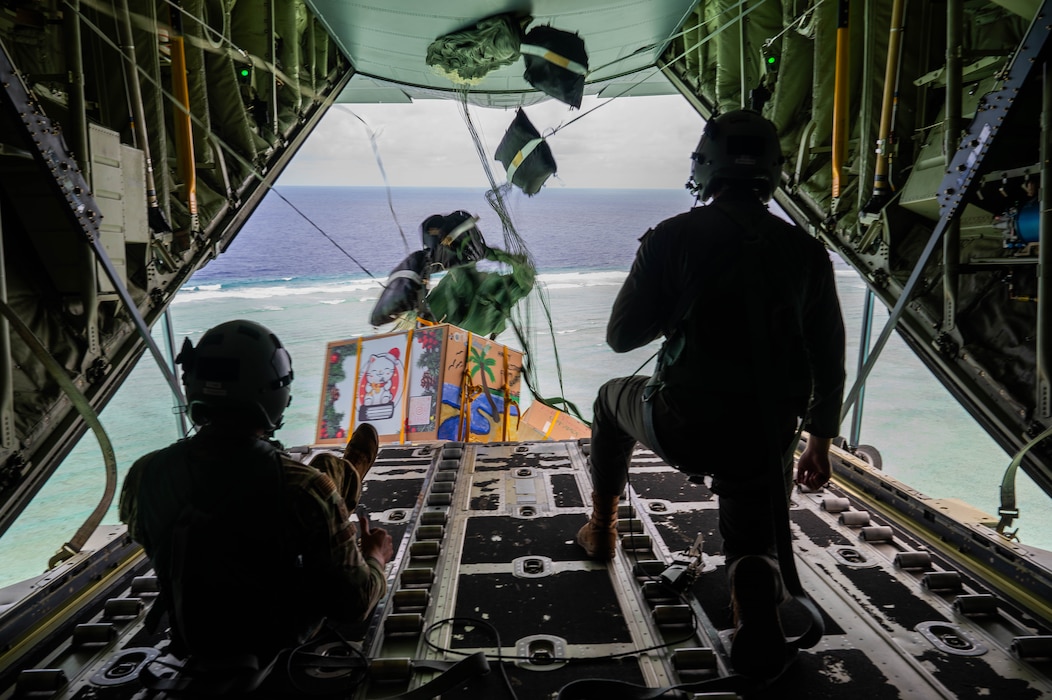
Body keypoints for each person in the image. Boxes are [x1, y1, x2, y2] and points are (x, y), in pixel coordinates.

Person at [574, 110, 846, 680]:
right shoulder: (807, 252)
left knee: (607, 400)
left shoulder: (672, 236)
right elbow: (828, 358)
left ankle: (601, 527)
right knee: (753, 528)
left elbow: (621, 338)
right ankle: (751, 584)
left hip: (683, 422)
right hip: (763, 435)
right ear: (774, 173)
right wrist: (818, 443)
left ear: (703, 169)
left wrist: (675, 306)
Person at [119, 319, 393, 680]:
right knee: (324, 479)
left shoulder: (145, 473)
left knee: (325, 471)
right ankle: (350, 473)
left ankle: (347, 471)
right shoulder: (301, 487)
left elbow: (156, 540)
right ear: (276, 393)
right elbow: (354, 603)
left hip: (193, 636)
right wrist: (375, 554)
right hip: (278, 639)